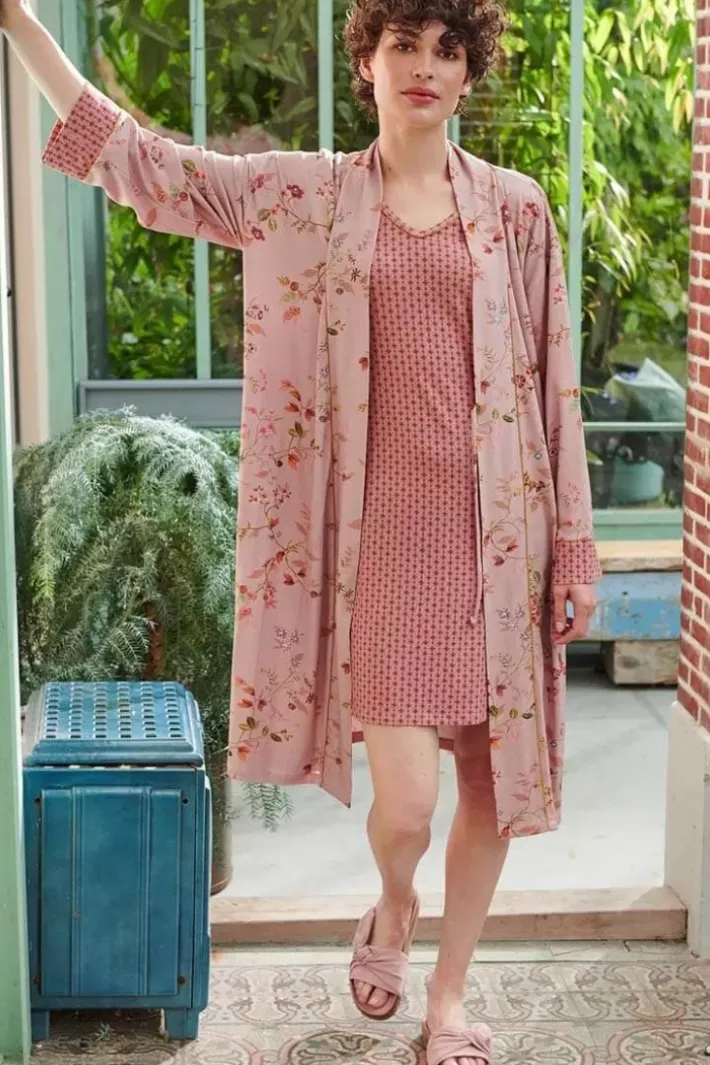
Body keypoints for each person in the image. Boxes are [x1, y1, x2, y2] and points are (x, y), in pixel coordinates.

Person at [2, 0, 600, 1061]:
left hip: (500, 547)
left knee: (491, 791)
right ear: (366, 62)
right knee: (407, 807)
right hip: (380, 558)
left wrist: (578, 550)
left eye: (447, 50)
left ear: (470, 73)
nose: (424, 67)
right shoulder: (303, 195)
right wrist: (21, 26)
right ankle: (394, 900)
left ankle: (448, 1001)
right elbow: (144, 163)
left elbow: (557, 383)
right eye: (403, 46)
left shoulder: (515, 210)